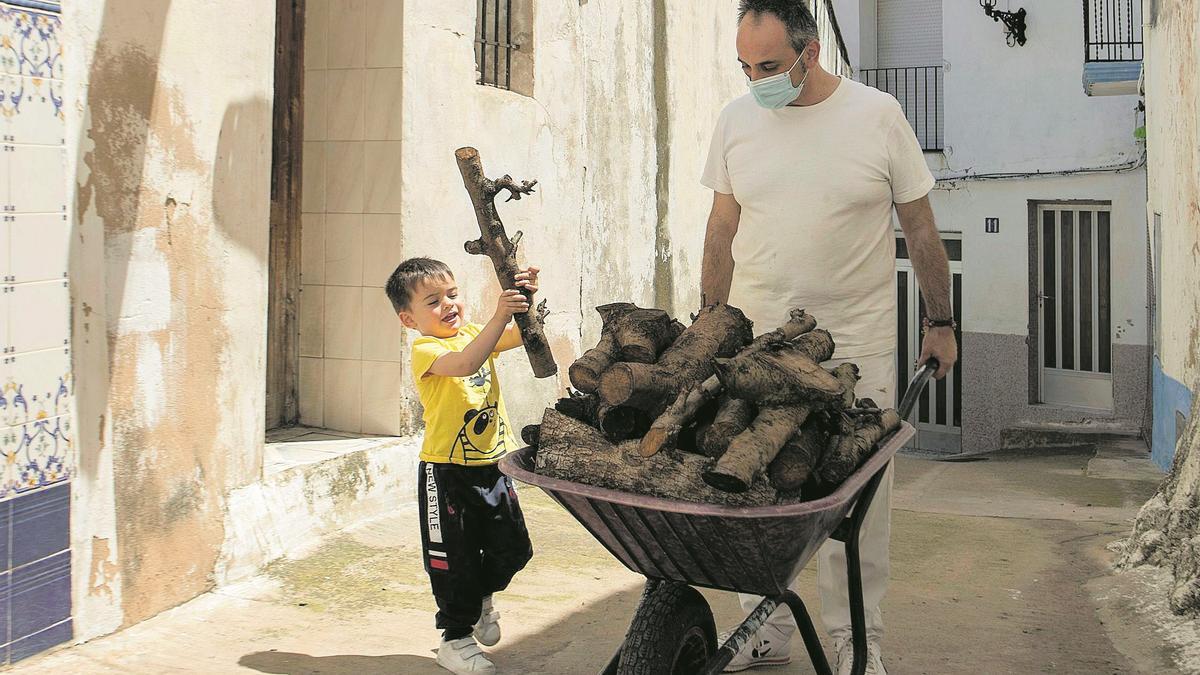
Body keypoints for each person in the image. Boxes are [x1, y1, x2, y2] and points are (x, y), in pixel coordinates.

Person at [700, 1, 959, 673]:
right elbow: (721, 229)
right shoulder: (735, 122)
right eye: (744, 65)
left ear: (808, 53)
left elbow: (922, 228)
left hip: (857, 350)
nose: (754, 79)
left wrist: (941, 322)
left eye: (767, 65)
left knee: (858, 508)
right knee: (755, 497)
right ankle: (765, 627)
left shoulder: (877, 117)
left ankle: (857, 641)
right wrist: (707, 327)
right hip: (758, 355)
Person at [385, 257, 540, 675]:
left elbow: (524, 337)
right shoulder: (426, 350)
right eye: (433, 301)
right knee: (452, 562)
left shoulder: (473, 333)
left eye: (452, 294)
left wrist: (527, 295)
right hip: (447, 472)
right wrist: (498, 314)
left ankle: (481, 596)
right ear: (408, 318)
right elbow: (468, 362)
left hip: (495, 466)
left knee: (515, 549)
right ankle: (454, 639)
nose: (449, 305)